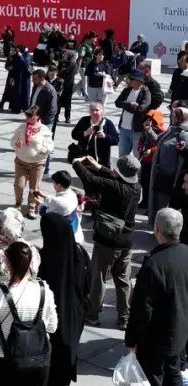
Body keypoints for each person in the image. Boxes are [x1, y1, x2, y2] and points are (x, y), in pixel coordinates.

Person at [0, 242, 58, 385]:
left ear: (7, 262)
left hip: (3, 362)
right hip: (37, 362)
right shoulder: (44, 289)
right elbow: (52, 327)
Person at [73, 154, 139, 329]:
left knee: (99, 277)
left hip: (108, 241)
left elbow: (90, 179)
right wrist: (99, 166)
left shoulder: (114, 187)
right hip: (127, 241)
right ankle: (124, 316)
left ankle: (93, 314)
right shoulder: (136, 187)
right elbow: (113, 176)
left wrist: (76, 162)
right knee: (123, 279)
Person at [125, 208, 188, 386]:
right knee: (173, 372)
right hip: (181, 332)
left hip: (156, 339)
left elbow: (142, 309)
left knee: (154, 377)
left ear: (157, 230)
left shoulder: (153, 264)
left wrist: (131, 339)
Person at [39, 212, 91, 386]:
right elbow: (88, 285)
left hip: (52, 320)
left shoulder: (44, 258)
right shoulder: (80, 253)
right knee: (67, 357)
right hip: (75, 315)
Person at [11, 106, 55, 218]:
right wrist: (16, 144)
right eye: (26, 114)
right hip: (21, 161)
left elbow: (50, 145)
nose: (27, 117)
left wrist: (46, 149)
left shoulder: (44, 130)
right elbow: (12, 141)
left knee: (34, 188)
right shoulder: (22, 127)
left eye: (30, 115)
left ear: (38, 116)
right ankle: (18, 203)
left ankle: (31, 208)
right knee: (19, 185)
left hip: (38, 163)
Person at [36, 171, 85, 244]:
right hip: (75, 228)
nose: (53, 185)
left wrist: (39, 205)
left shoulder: (59, 202)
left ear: (59, 185)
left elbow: (47, 214)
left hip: (64, 236)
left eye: (53, 183)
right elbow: (55, 200)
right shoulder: (72, 194)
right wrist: (44, 196)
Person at [115, 70, 152, 158]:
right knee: (122, 156)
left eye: (132, 79)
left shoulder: (145, 93)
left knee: (137, 156)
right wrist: (130, 104)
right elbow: (117, 103)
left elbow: (141, 110)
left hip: (137, 131)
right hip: (124, 128)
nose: (129, 81)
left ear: (139, 81)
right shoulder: (127, 90)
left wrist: (126, 105)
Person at [70, 102, 119, 168]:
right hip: (85, 156)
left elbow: (116, 140)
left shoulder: (107, 123)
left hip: (101, 159)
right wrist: (84, 133)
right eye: (92, 110)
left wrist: (105, 136)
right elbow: (74, 134)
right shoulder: (84, 120)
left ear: (102, 111)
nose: (94, 112)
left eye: (97, 110)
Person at [138, 110, 166, 209]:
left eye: (151, 120)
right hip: (145, 161)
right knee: (144, 183)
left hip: (154, 163)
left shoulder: (162, 132)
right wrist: (140, 148)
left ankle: (150, 204)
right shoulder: (144, 130)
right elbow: (141, 141)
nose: (148, 122)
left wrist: (151, 150)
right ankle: (144, 201)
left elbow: (157, 143)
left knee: (151, 184)